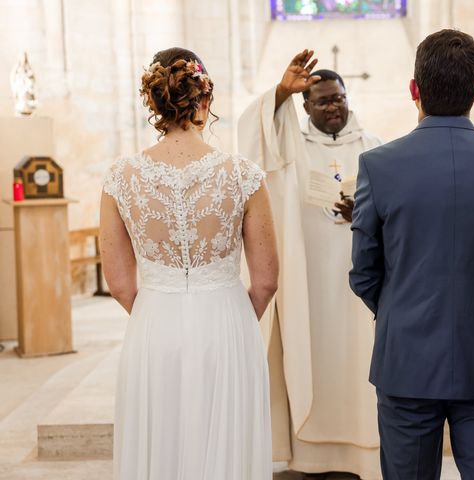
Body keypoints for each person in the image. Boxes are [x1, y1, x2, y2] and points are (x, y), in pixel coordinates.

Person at [350, 29, 474, 480]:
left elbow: (363, 272)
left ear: (414, 90)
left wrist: (403, 308)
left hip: (405, 359)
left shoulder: (378, 165)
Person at [100, 47, 277, 480]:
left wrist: (158, 311)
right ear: (206, 98)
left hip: (154, 327)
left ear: (154, 103)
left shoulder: (120, 178)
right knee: (227, 449)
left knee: (162, 445)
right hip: (227, 325)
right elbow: (267, 281)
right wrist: (230, 314)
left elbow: (121, 285)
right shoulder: (243, 174)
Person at [238, 50, 382, 479]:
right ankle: (312, 453)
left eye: (338, 98)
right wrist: (281, 90)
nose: (333, 106)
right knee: (313, 356)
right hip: (309, 280)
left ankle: (364, 447)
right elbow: (253, 139)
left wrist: (366, 212)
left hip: (360, 283)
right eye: (322, 100)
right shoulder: (291, 147)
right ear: (306, 106)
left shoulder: (373, 147)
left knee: (359, 360)